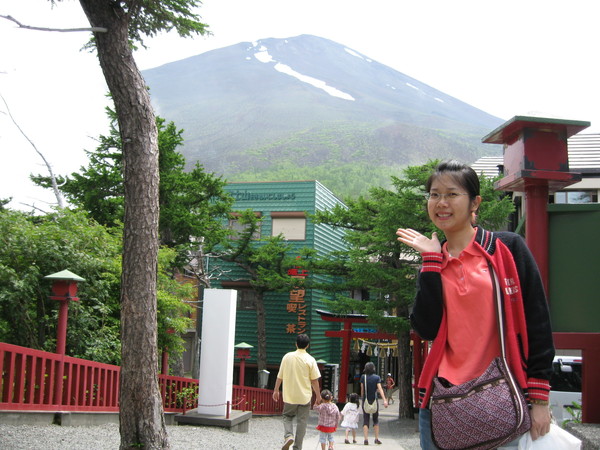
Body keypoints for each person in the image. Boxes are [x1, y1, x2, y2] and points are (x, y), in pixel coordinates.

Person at [396, 160, 555, 449]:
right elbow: (425, 328)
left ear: (474, 203)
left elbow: (538, 322)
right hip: (444, 402)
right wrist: (431, 262)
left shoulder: (506, 249)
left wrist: (540, 399)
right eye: (434, 194)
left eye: (452, 194)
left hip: (503, 399)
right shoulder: (434, 261)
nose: (441, 203)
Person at [273, 333, 322, 450]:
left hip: (290, 395)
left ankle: (288, 435)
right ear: (307, 345)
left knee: (287, 416)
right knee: (302, 422)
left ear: (296, 344)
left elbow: (280, 376)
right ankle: (297, 447)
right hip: (305, 397)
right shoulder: (310, 360)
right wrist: (318, 397)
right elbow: (314, 381)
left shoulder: (287, 357)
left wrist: (276, 390)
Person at [360, 361, 388, 445]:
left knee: (366, 419)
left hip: (365, 400)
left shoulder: (363, 377)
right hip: (374, 400)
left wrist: (362, 398)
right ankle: (376, 438)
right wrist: (384, 400)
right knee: (375, 419)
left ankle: (366, 439)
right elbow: (380, 389)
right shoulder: (377, 378)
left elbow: (362, 389)